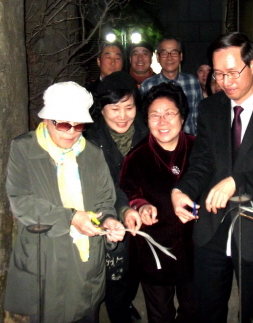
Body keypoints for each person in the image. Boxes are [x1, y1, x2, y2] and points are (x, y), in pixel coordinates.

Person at [171, 32, 253, 322]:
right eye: (219, 74)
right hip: (212, 225)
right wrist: (182, 190)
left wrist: (235, 182)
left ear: (252, 64)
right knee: (208, 310)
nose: (225, 82)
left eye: (233, 72)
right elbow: (202, 161)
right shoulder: (210, 108)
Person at [3, 81, 125, 323]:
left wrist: (109, 221)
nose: (71, 132)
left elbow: (104, 200)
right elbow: (21, 200)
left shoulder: (93, 154)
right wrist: (70, 217)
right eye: (62, 124)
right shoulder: (23, 149)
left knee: (85, 313)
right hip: (44, 262)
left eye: (78, 124)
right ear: (46, 120)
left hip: (85, 264)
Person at [120, 82, 196, 323]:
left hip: (195, 247)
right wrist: (140, 205)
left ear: (182, 117)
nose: (162, 122)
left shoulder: (199, 148)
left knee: (193, 310)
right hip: (154, 249)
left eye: (169, 114)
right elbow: (127, 191)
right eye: (155, 115)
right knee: (160, 314)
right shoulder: (137, 156)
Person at [83, 71, 146, 323]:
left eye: (129, 107)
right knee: (114, 271)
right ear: (102, 108)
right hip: (106, 211)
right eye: (114, 108)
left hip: (140, 209)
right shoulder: (90, 138)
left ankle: (126, 301)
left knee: (135, 268)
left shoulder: (146, 131)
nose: (123, 116)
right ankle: (119, 310)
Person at [140, 37, 203, 136]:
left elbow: (198, 120)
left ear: (181, 56)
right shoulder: (147, 86)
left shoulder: (192, 82)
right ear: (158, 57)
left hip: (189, 145)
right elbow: (144, 122)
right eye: (164, 53)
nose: (169, 57)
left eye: (174, 52)